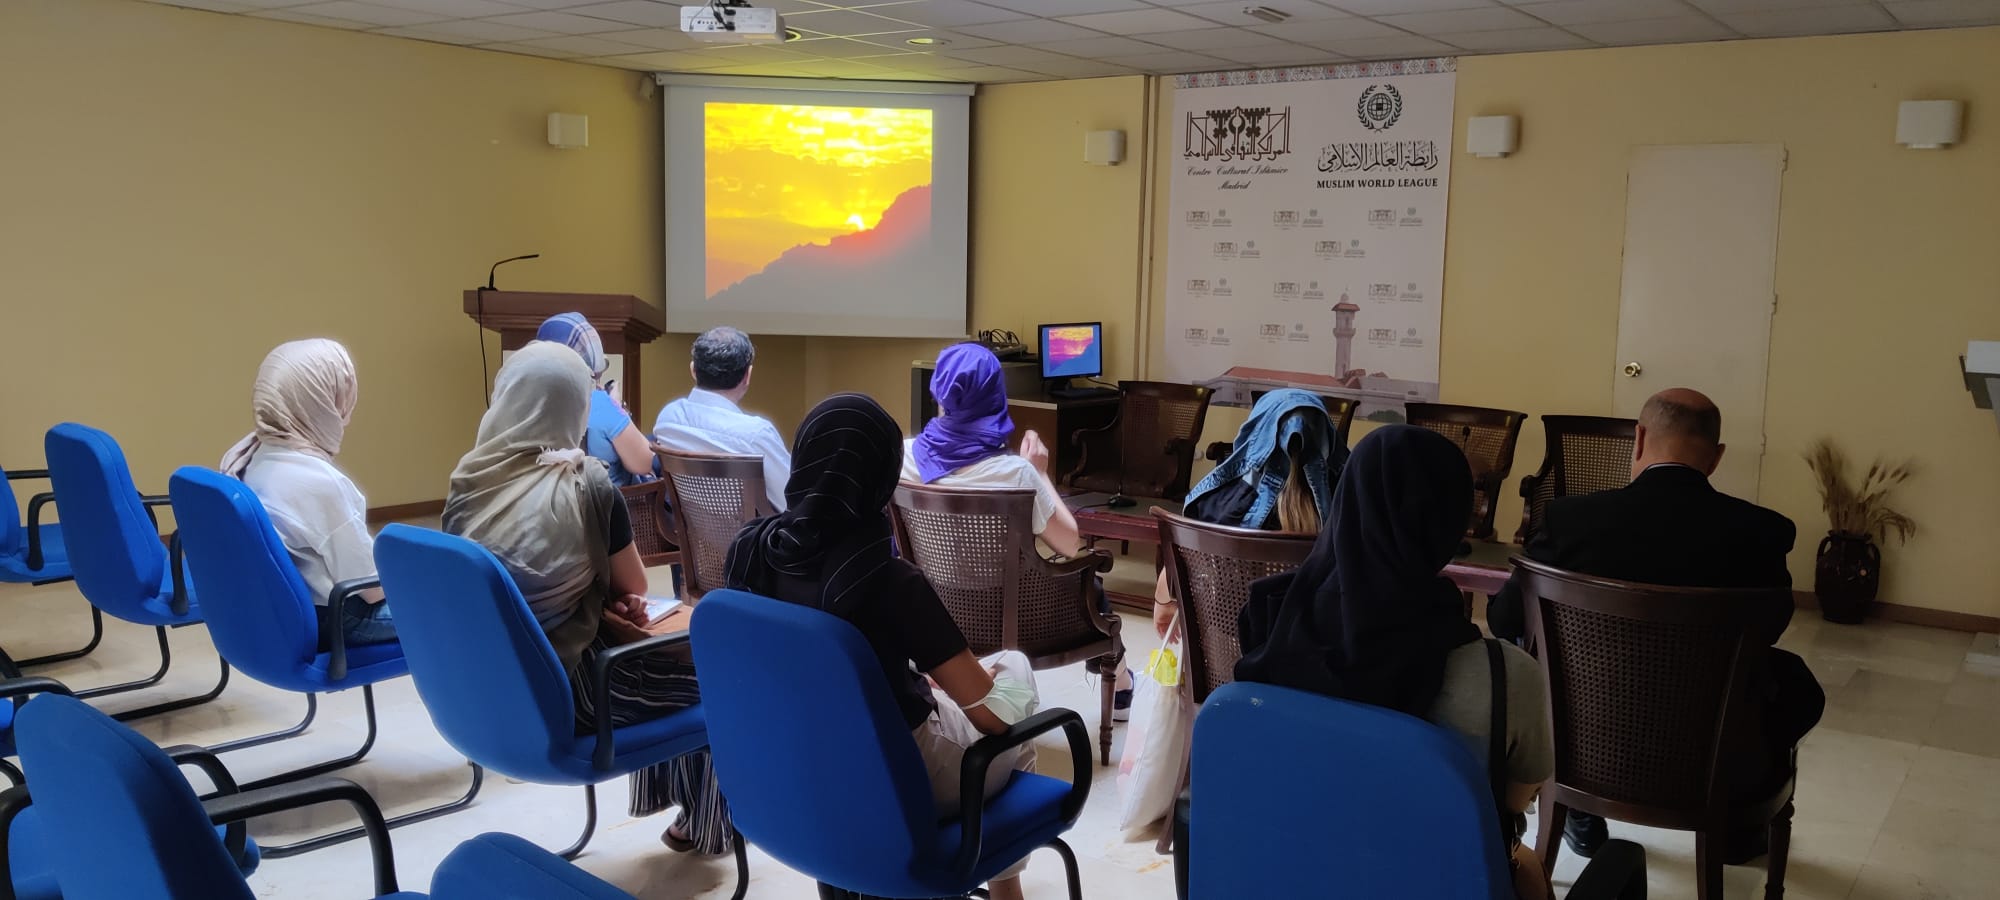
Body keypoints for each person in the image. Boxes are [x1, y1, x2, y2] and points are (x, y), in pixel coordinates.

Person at [725, 394, 1043, 900]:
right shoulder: (889, 580)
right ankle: (1006, 891)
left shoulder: (751, 551)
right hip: (899, 780)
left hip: (794, 774)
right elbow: (992, 720)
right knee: (1016, 680)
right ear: (881, 478)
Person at [1485, 387, 1823, 863]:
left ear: (1638, 439)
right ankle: (1736, 826)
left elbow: (1503, 620)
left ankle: (1577, 809)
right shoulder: (1762, 532)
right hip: (1706, 758)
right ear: (1717, 456)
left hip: (1583, 749)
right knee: (1791, 682)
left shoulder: (1571, 521)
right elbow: (1770, 631)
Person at [1235, 425, 1555, 900]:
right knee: (1525, 865)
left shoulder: (1267, 629)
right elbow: (1508, 805)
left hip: (1291, 876)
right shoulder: (1505, 678)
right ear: (1447, 524)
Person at [444, 342, 732, 855]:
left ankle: (675, 803)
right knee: (724, 679)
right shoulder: (586, 483)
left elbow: (506, 589)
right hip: (568, 696)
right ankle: (703, 825)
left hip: (481, 692)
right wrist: (605, 593)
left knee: (662, 665)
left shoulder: (468, 477)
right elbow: (636, 587)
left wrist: (591, 598)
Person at [221, 339, 393, 647]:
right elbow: (372, 590)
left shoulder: (248, 455)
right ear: (323, 400)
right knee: (458, 607)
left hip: (275, 613)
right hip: (338, 618)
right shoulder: (322, 484)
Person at [1151, 389, 1345, 638]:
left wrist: (1163, 600)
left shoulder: (1216, 507)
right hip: (1318, 659)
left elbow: (1181, 565)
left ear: (1256, 432)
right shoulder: (1352, 512)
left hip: (1233, 656)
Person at [902, 342, 1084, 558]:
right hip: (1003, 592)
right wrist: (1041, 473)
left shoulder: (904, 456)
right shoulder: (1017, 474)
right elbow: (1070, 545)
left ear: (941, 391)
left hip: (927, 590)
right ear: (995, 395)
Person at [653, 326, 790, 512]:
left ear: (693, 370)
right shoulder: (756, 435)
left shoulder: (668, 419)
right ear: (747, 376)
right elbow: (792, 500)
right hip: (750, 540)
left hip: (691, 538)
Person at [535, 313, 656, 488]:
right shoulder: (599, 403)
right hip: (606, 510)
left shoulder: (524, 404)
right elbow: (644, 462)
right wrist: (618, 409)